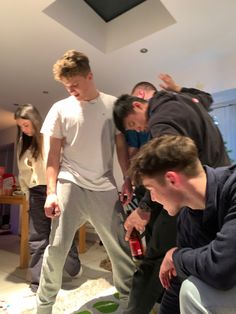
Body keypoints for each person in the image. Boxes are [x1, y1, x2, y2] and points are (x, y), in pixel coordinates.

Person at [113, 78, 230, 313]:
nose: (139, 130)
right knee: (180, 264)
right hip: (207, 190)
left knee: (156, 258)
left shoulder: (162, 119)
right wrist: (179, 89)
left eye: (133, 124)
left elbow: (164, 164)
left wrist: (144, 208)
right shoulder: (184, 100)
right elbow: (206, 99)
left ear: (138, 104)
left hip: (195, 193)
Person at [36, 50, 136, 314]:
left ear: (90, 76)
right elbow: (53, 155)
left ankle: (129, 302)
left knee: (120, 247)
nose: (72, 90)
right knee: (56, 249)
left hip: (104, 186)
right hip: (70, 183)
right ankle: (43, 307)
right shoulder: (60, 108)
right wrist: (51, 192)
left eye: (76, 84)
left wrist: (127, 179)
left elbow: (121, 147)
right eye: (66, 86)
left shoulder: (113, 105)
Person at [129, 134, 236, 314]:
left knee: (192, 292)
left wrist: (176, 256)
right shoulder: (187, 216)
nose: (152, 199)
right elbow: (177, 280)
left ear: (172, 179)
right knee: (187, 285)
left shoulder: (232, 189)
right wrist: (178, 258)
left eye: (151, 189)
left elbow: (222, 268)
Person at [14, 104, 81, 293]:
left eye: (26, 125)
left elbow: (60, 164)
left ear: (35, 121)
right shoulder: (23, 143)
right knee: (37, 238)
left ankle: (73, 265)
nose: (24, 130)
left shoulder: (50, 137)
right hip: (35, 193)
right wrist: (27, 193)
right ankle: (38, 283)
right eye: (20, 127)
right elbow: (22, 173)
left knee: (60, 234)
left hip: (55, 190)